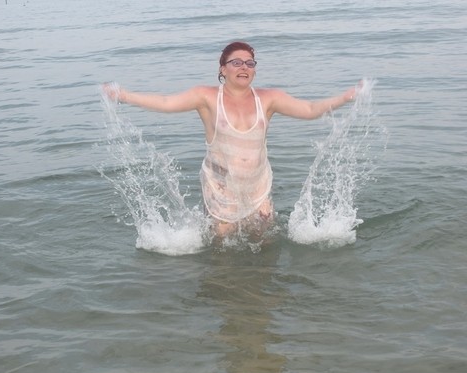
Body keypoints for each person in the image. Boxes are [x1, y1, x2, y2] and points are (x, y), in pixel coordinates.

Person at [103, 41, 358, 237]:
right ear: (222, 69)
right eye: (236, 62)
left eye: (250, 63)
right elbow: (167, 102)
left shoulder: (269, 98)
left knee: (263, 239)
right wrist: (125, 95)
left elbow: (310, 110)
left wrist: (345, 98)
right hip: (220, 187)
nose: (244, 67)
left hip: (257, 184)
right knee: (222, 246)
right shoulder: (206, 97)